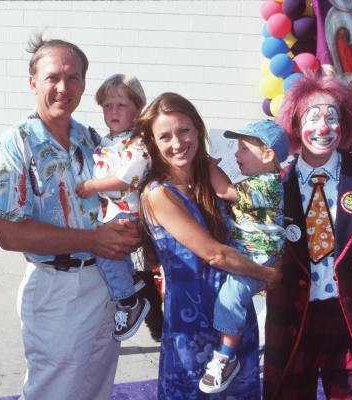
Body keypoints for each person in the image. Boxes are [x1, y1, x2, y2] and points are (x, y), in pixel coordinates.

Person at [0, 35, 140, 399]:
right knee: (54, 392)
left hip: (109, 283)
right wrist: (93, 239)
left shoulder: (94, 139)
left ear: (84, 85)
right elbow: (8, 233)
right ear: (33, 83)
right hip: (57, 289)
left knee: (97, 389)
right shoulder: (15, 143)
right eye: (53, 77)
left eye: (73, 78)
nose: (63, 87)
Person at [264, 73, 352, 399]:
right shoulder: (273, 185)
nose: (323, 128)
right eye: (313, 118)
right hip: (295, 315)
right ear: (295, 126)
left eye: (332, 118)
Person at [137, 92, 280, 399]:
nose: (177, 143)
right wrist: (269, 275)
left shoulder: (211, 182)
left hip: (234, 317)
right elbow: (214, 254)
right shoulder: (158, 193)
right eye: (165, 136)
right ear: (153, 143)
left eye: (184, 130)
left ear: (198, 130)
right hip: (191, 326)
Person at [199, 120, 289, 394]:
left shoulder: (267, 184)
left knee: (231, 296)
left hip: (258, 257)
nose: (237, 154)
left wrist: (209, 167)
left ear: (268, 155)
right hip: (249, 251)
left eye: (243, 148)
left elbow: (225, 191)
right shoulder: (259, 181)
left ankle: (226, 356)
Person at [75, 73, 151, 341]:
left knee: (107, 255)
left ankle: (129, 301)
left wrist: (91, 187)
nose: (113, 111)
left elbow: (125, 179)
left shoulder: (138, 143)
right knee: (114, 257)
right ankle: (132, 284)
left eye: (121, 105)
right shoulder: (109, 141)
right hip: (110, 212)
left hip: (125, 212)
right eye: (107, 105)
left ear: (138, 108)